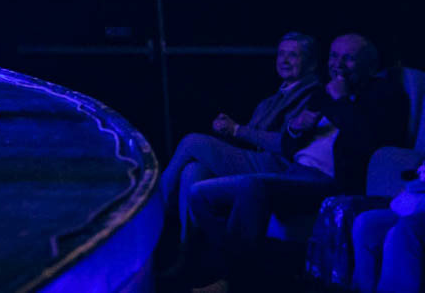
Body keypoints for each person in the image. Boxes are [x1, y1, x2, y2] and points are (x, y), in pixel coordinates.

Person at [179, 33, 412, 291]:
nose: (338, 65)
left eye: (348, 59)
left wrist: (342, 101)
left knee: (253, 186)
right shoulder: (326, 93)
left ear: (369, 64)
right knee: (199, 193)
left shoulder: (384, 94)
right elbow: (289, 147)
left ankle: (234, 282)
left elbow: (370, 142)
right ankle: (241, 269)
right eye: (334, 56)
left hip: (331, 182)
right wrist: (295, 128)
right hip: (294, 171)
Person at [159, 33, 323, 243]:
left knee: (192, 141)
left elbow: (286, 143)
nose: (285, 60)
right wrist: (228, 130)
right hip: (254, 159)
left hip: (278, 166)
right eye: (281, 54)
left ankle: (155, 210)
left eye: (293, 55)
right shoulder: (272, 99)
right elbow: (249, 138)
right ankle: (189, 249)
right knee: (193, 171)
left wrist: (237, 129)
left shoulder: (313, 96)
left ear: (310, 63)